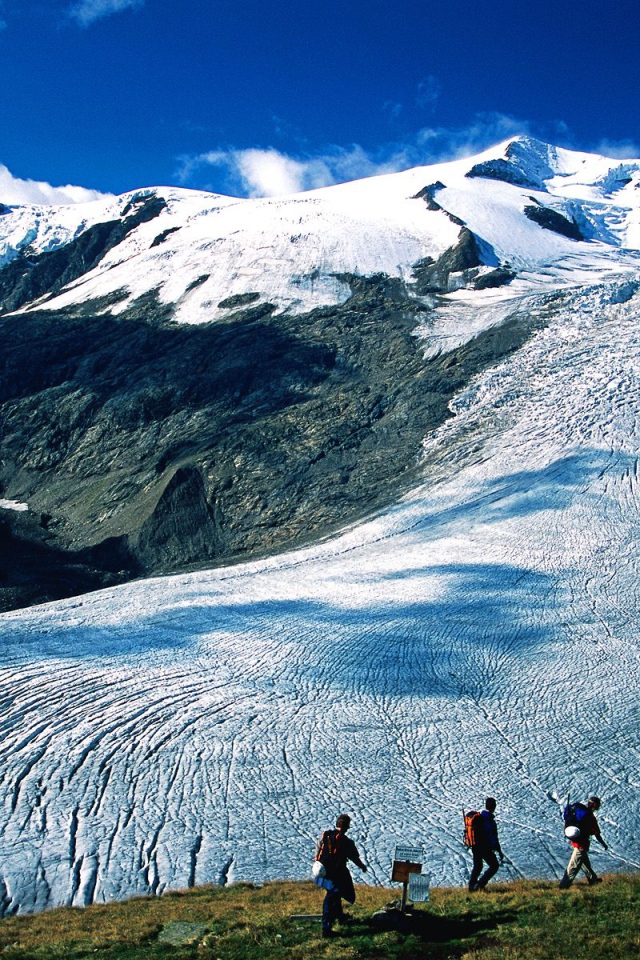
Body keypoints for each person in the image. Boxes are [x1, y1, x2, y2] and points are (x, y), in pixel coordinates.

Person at [314, 813, 367, 938]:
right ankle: (326, 928)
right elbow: (354, 857)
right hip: (337, 874)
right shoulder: (346, 841)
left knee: (334, 895)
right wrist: (362, 867)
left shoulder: (325, 835)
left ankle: (340, 916)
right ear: (347, 827)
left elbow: (318, 848)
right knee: (331, 898)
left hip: (324, 871)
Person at [559, 795, 608, 889]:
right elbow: (597, 834)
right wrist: (604, 844)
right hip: (581, 845)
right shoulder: (590, 818)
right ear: (595, 806)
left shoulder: (579, 812)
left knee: (584, 863)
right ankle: (563, 887)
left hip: (576, 842)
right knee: (573, 867)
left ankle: (593, 880)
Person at [468, 797, 504, 892]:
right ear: (494, 807)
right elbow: (493, 837)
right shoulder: (489, 820)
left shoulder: (479, 816)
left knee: (477, 867)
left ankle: (472, 888)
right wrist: (499, 850)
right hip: (484, 847)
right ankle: (480, 885)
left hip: (475, 845)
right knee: (494, 866)